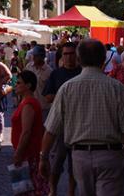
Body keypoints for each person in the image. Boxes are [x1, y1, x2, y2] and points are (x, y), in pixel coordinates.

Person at [40, 39, 124, 196]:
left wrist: (44, 156)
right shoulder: (117, 88)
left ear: (78, 59)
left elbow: (51, 129)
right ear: (103, 60)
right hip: (110, 156)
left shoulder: (67, 88)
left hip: (80, 157)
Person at [42, 42, 80, 196]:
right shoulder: (56, 74)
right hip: (60, 124)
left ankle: (71, 191)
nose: (69, 57)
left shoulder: (82, 72)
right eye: (66, 54)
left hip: (79, 124)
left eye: (72, 54)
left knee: (74, 165)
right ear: (61, 56)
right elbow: (47, 96)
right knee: (57, 161)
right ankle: (53, 190)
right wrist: (63, 96)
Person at [11, 70, 48, 196]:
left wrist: (19, 153)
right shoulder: (25, 102)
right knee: (26, 189)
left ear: (28, 85)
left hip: (28, 153)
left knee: (30, 188)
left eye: (19, 83)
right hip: (28, 152)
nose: (15, 85)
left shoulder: (29, 104)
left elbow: (26, 131)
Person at [25, 45, 53, 117]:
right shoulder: (29, 67)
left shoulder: (49, 71)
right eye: (33, 55)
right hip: (29, 106)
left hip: (43, 108)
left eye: (36, 56)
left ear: (42, 57)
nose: (33, 58)